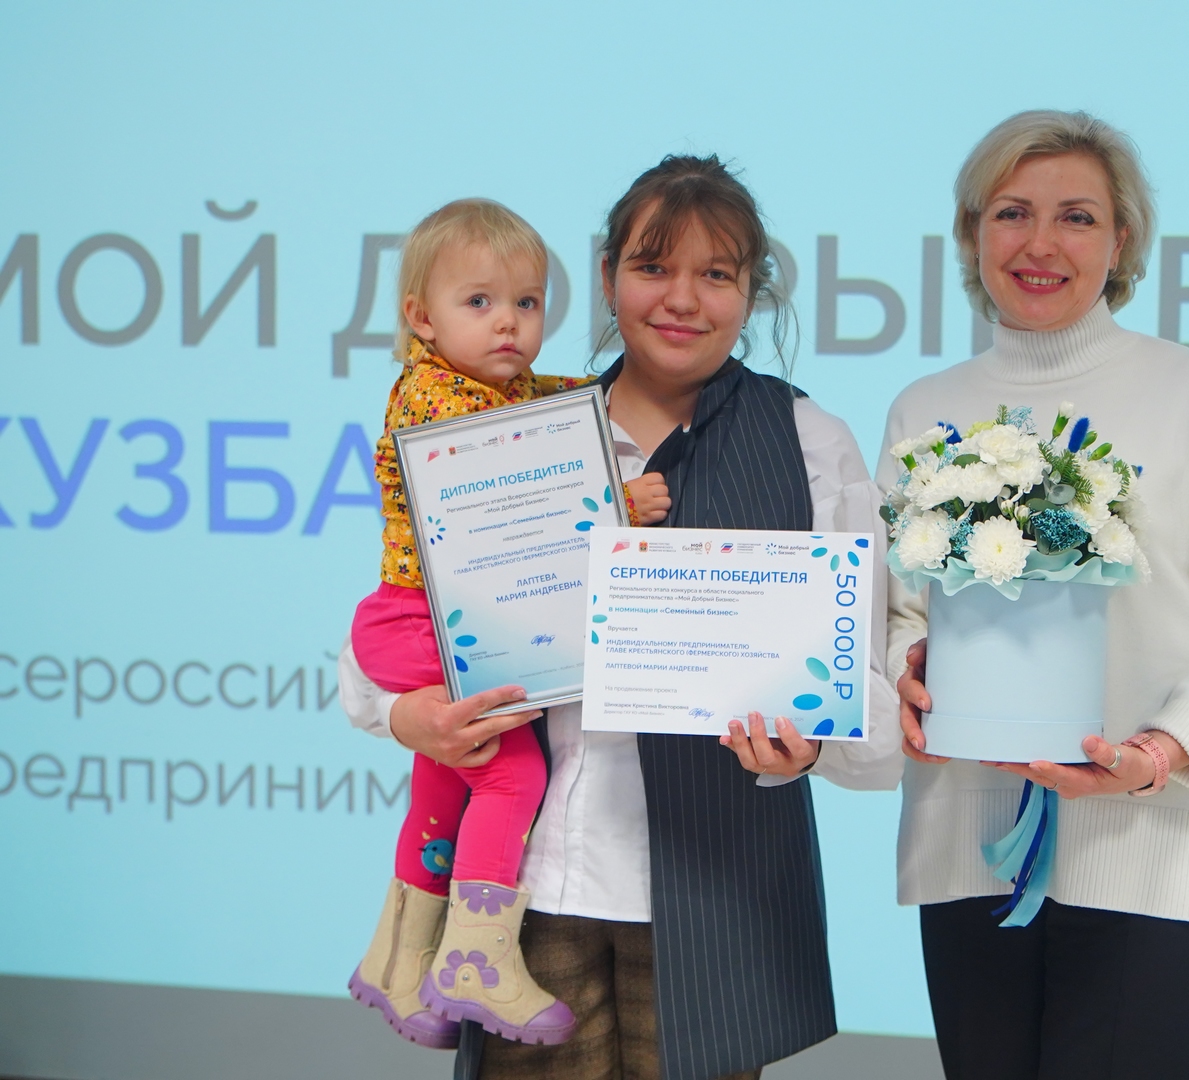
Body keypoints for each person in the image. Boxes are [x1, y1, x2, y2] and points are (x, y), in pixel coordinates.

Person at [339, 156, 901, 1080]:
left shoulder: (809, 444)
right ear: (606, 278)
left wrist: (809, 747)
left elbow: (873, 724)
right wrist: (406, 715)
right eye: (651, 266)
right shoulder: (518, 428)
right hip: (525, 901)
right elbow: (393, 626)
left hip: (718, 899)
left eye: (715, 273)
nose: (681, 298)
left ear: (752, 292)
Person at [883, 109, 1189, 1079]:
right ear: (972, 234)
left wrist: (1156, 755)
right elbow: (902, 612)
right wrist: (905, 669)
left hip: (1156, 848)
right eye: (1011, 213)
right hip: (971, 848)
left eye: (1076, 217)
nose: (1040, 243)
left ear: (1121, 242)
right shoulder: (923, 407)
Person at [345, 198, 671, 1050]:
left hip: (427, 619)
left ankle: (398, 959)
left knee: (444, 778)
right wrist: (615, 497)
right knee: (510, 773)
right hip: (427, 622)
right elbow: (518, 489)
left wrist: (605, 401)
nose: (510, 323)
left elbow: (564, 406)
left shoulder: (503, 389)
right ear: (421, 317)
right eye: (480, 302)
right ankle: (475, 959)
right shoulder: (435, 397)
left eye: (528, 303)